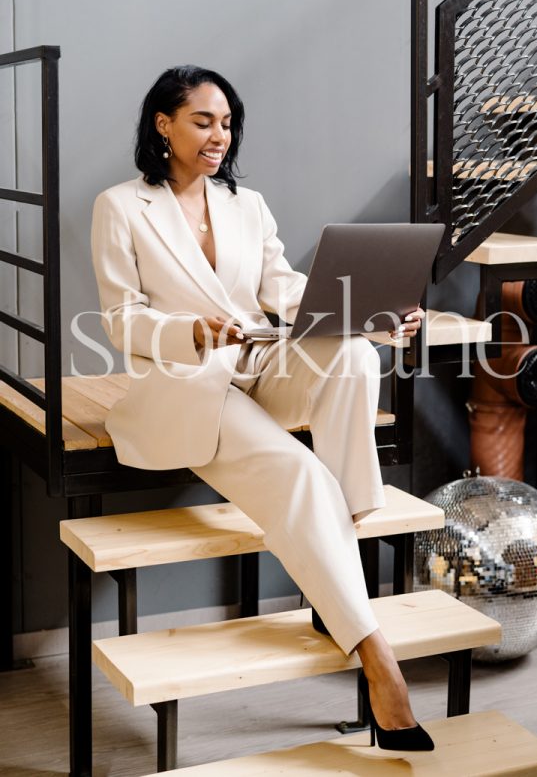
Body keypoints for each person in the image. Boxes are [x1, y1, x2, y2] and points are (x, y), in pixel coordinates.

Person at [91, 65, 433, 753]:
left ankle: (346, 528)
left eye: (226, 122)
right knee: (299, 475)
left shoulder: (248, 205)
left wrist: (375, 315)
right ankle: (377, 655)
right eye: (202, 121)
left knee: (357, 356)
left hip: (257, 360)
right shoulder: (121, 206)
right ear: (163, 124)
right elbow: (120, 320)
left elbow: (286, 287)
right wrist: (189, 331)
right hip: (184, 382)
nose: (219, 135)